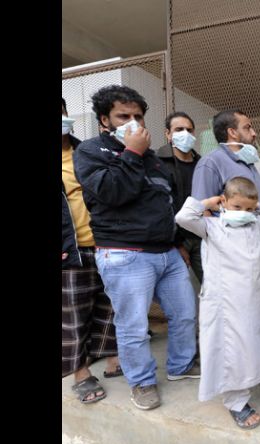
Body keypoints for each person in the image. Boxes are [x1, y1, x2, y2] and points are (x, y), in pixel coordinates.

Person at [74, 85, 199, 411]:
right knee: (133, 326)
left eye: (138, 116)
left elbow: (165, 201)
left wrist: (176, 243)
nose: (133, 121)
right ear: (105, 119)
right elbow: (111, 192)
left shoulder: (154, 160)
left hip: (166, 253)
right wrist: (131, 152)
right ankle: (142, 382)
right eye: (123, 116)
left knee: (184, 314)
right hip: (125, 255)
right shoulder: (90, 152)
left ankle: (181, 366)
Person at [175, 177, 260, 429]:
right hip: (226, 305)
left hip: (256, 299)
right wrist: (208, 203)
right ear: (224, 202)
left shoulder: (256, 223)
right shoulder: (211, 226)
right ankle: (235, 401)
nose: (243, 213)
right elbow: (183, 217)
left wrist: (255, 202)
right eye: (237, 207)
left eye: (248, 209)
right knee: (233, 350)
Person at [62, 97, 121, 404]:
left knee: (110, 304)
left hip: (105, 241)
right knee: (74, 315)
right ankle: (81, 372)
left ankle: (110, 355)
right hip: (68, 250)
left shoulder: (85, 150)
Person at [191, 109, 260, 223]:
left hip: (253, 237)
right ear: (232, 132)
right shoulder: (211, 162)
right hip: (227, 238)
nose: (254, 133)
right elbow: (201, 210)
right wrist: (219, 236)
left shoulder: (248, 163)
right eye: (247, 128)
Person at [157, 111, 203, 283]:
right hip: (171, 241)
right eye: (179, 129)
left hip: (201, 237)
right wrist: (177, 243)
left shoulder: (202, 164)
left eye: (189, 130)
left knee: (215, 287)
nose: (185, 134)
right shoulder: (156, 162)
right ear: (168, 134)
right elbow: (160, 206)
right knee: (178, 291)